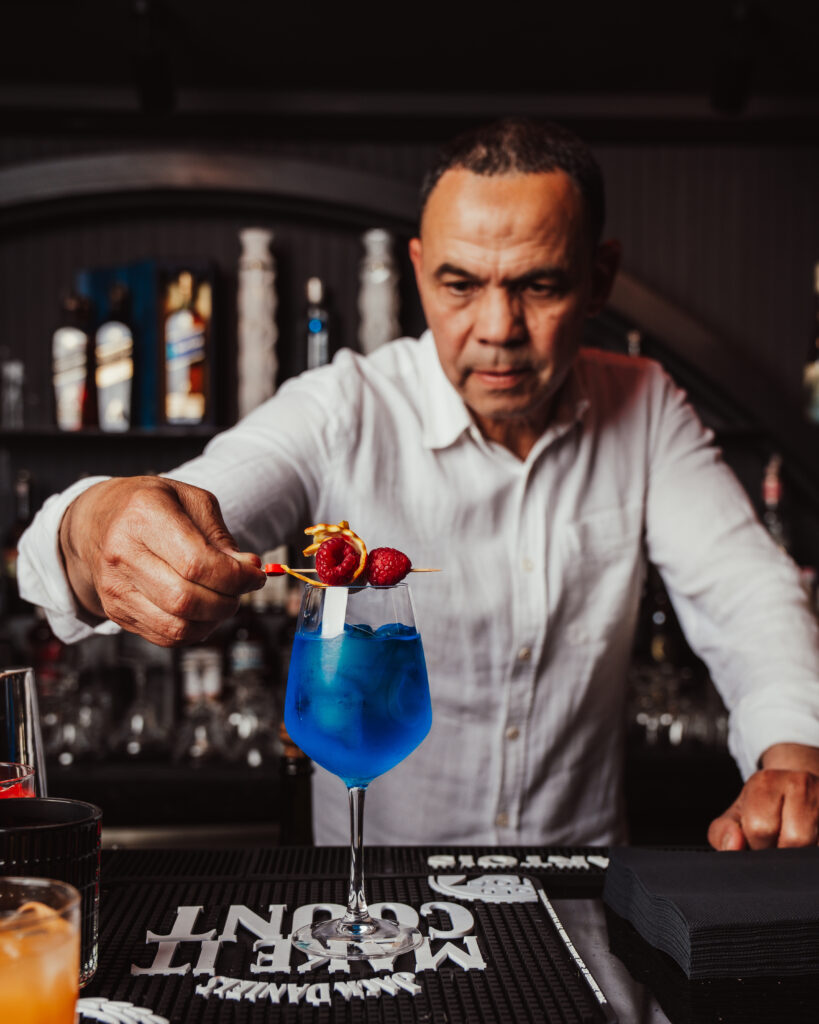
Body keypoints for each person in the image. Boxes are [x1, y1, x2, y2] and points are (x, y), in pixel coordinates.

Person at [19, 119, 819, 851]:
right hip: (379, 900)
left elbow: (744, 590)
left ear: (598, 278)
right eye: (459, 284)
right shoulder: (342, 405)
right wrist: (99, 523)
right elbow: (188, 504)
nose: (498, 330)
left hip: (578, 892)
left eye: (539, 285)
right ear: (416, 270)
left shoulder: (645, 404)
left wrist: (791, 753)